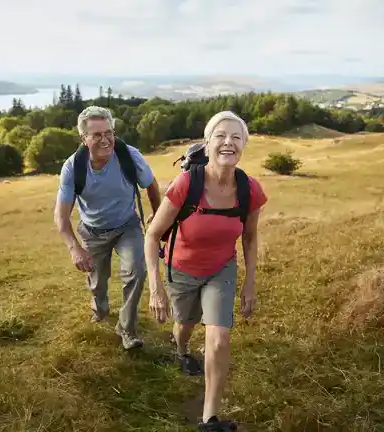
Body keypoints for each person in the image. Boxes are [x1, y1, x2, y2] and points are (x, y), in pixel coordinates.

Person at [144, 111, 267, 431]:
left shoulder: (249, 189)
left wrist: (250, 282)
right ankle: (182, 349)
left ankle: (209, 418)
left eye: (236, 137)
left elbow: (250, 237)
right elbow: (153, 234)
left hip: (221, 269)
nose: (228, 142)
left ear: (243, 146)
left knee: (218, 338)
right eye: (221, 136)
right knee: (184, 325)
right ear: (208, 143)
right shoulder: (187, 183)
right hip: (182, 269)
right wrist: (155, 288)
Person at [54, 105, 162, 350]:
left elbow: (151, 185)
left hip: (127, 226)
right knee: (97, 282)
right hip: (92, 232)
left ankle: (127, 329)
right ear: (84, 138)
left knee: (136, 271)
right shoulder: (73, 167)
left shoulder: (129, 155)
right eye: (97, 135)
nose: (105, 140)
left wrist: (157, 214)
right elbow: (61, 217)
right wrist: (74, 248)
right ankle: (100, 307)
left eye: (109, 132)